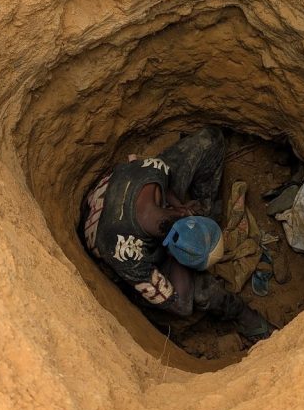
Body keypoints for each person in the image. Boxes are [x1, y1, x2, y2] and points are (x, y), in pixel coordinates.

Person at [80, 127, 273, 343]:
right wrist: (181, 256)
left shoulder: (154, 173)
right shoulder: (127, 254)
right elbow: (180, 305)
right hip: (104, 228)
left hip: (131, 188)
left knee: (210, 140)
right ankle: (244, 316)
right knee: (201, 293)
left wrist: (181, 206)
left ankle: (204, 216)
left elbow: (167, 191)